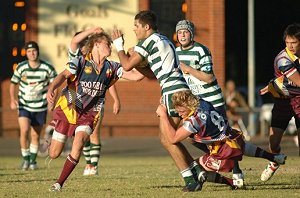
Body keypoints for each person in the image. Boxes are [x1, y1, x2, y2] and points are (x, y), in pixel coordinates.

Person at [112, 10, 206, 191]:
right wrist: (139, 62)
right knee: (172, 138)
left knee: (167, 139)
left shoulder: (147, 41)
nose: (134, 29)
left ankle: (190, 180)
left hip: (172, 92)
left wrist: (119, 46)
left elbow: (126, 65)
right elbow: (153, 74)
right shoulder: (164, 40)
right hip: (180, 89)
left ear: (146, 27)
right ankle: (197, 170)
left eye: (136, 26)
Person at [47, 32, 144, 192]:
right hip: (69, 109)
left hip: (90, 114)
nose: (110, 47)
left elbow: (136, 77)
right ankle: (51, 138)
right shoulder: (80, 61)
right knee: (54, 154)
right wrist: (51, 88)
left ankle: (59, 183)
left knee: (78, 145)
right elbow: (63, 75)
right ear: (97, 44)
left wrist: (142, 61)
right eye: (108, 43)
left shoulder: (112, 67)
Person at [156, 90, 287, 190]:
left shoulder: (194, 120)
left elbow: (173, 139)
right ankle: (274, 157)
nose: (178, 114)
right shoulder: (202, 102)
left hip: (224, 152)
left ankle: (232, 183)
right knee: (243, 147)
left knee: (196, 168)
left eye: (180, 110)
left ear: (188, 105)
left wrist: (163, 115)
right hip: (232, 137)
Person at [175, 20, 244, 185]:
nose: (183, 35)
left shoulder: (201, 50)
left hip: (212, 100)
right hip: (196, 103)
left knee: (223, 137)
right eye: (180, 32)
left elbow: (209, 77)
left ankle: (237, 171)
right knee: (192, 137)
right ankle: (217, 155)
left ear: (191, 34)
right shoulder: (175, 52)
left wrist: (189, 69)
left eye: (185, 32)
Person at [69, 27, 121, 176]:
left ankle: (93, 165)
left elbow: (108, 81)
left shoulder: (103, 63)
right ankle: (87, 163)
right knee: (80, 135)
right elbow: (74, 41)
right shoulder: (77, 58)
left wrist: (116, 100)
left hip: (96, 102)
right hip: (76, 102)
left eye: (87, 43)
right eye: (83, 43)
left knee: (94, 133)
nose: (85, 46)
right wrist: (92, 30)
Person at [259, 23, 300, 182]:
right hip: (283, 101)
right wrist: (273, 84)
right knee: (273, 143)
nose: (290, 46)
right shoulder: (283, 59)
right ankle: (274, 161)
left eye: (294, 42)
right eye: (287, 42)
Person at [9, 41, 57, 170]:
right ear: (26, 53)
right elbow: (13, 83)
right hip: (24, 104)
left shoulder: (47, 67)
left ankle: (33, 161)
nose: (32, 53)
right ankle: (25, 159)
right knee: (24, 131)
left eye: (34, 51)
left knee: (35, 135)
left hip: (40, 106)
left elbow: (55, 85)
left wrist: (52, 100)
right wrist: (13, 99)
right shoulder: (21, 67)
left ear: (38, 51)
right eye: (29, 51)